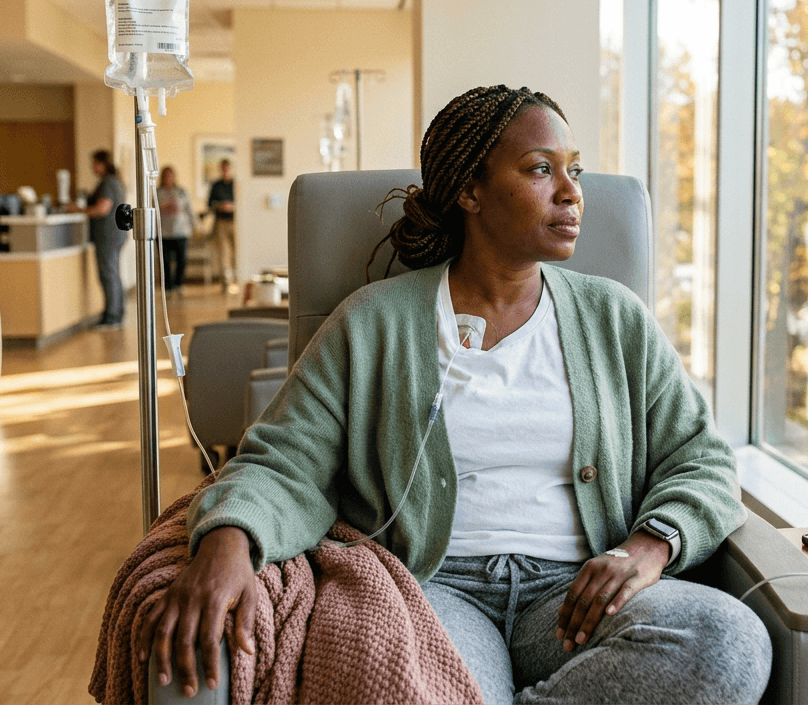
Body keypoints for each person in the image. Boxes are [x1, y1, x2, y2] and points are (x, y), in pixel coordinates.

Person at [140, 86, 772, 704]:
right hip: (436, 588)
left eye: (574, 170)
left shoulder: (615, 319)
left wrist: (648, 546)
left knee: (728, 643)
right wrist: (228, 538)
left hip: (577, 593)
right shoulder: (375, 323)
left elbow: (704, 461)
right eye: (540, 169)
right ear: (470, 190)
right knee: (407, 684)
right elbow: (286, 460)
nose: (572, 192)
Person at [84, 149, 126, 329]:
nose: (93, 167)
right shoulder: (114, 182)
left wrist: (79, 210)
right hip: (115, 234)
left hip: (108, 235)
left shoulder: (108, 182)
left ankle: (112, 316)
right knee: (113, 274)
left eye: (95, 163)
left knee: (108, 275)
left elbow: (102, 209)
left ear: (103, 164)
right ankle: (116, 312)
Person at [157, 166, 195, 293]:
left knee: (181, 260)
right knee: (165, 261)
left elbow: (189, 209)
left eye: (170, 175)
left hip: (181, 231)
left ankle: (178, 284)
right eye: (166, 176)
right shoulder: (157, 192)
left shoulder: (181, 192)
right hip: (163, 232)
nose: (168, 178)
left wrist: (195, 226)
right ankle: (167, 286)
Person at [206, 158, 236, 291]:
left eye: (227, 168)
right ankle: (226, 282)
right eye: (223, 168)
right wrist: (220, 206)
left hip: (235, 222)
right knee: (223, 253)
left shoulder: (236, 184)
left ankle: (237, 280)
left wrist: (232, 206)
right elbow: (209, 204)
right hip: (221, 222)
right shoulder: (216, 185)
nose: (225, 170)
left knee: (237, 252)